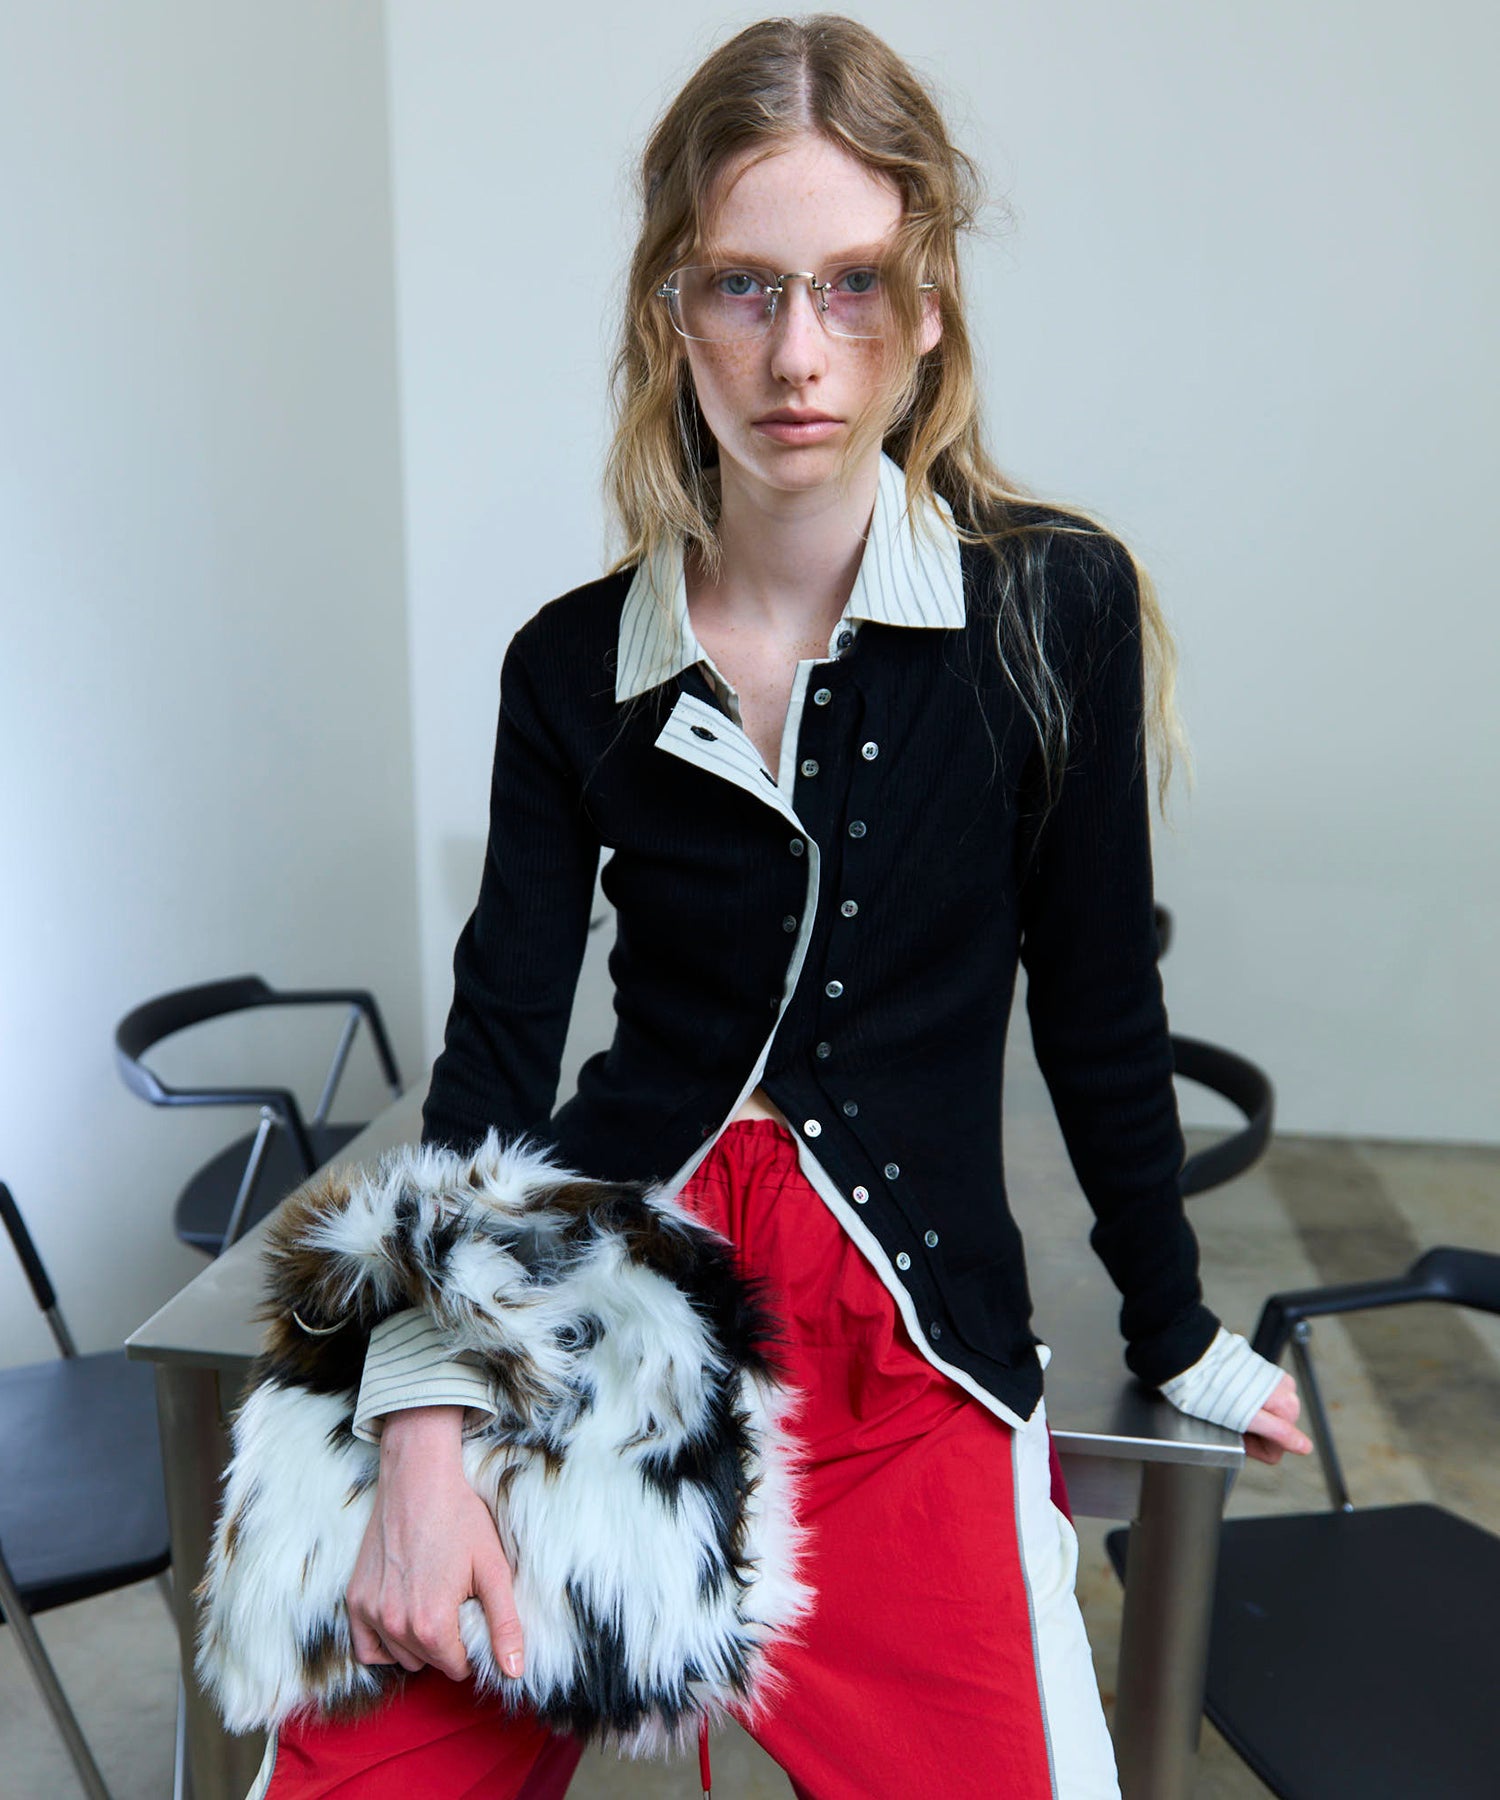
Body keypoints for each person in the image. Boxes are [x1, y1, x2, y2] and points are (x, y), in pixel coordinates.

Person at [256, 15, 1311, 1799]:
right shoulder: (569, 666)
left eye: (853, 285)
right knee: (350, 1751)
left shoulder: (1051, 612)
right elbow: (498, 1057)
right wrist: (424, 1434)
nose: (799, 354)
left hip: (908, 1350)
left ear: (928, 305)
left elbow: (1097, 1012)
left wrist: (1174, 1325)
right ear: (673, 310)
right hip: (598, 1302)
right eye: (743, 287)